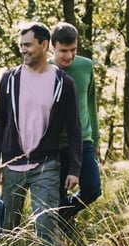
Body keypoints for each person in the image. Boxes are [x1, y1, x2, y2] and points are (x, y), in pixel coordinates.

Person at [0, 22, 82, 246]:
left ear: (44, 45)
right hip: (11, 165)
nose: (24, 50)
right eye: (21, 46)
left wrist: (74, 168)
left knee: (46, 221)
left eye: (28, 45)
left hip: (46, 165)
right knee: (9, 225)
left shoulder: (63, 83)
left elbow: (74, 128)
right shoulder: (10, 79)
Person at [50, 22, 102, 227]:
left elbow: (91, 102)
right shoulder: (43, 70)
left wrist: (96, 138)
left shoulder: (86, 65)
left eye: (73, 50)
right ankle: (62, 234)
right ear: (52, 46)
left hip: (83, 140)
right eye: (63, 51)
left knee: (92, 188)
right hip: (54, 144)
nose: (69, 56)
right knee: (58, 194)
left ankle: (63, 217)